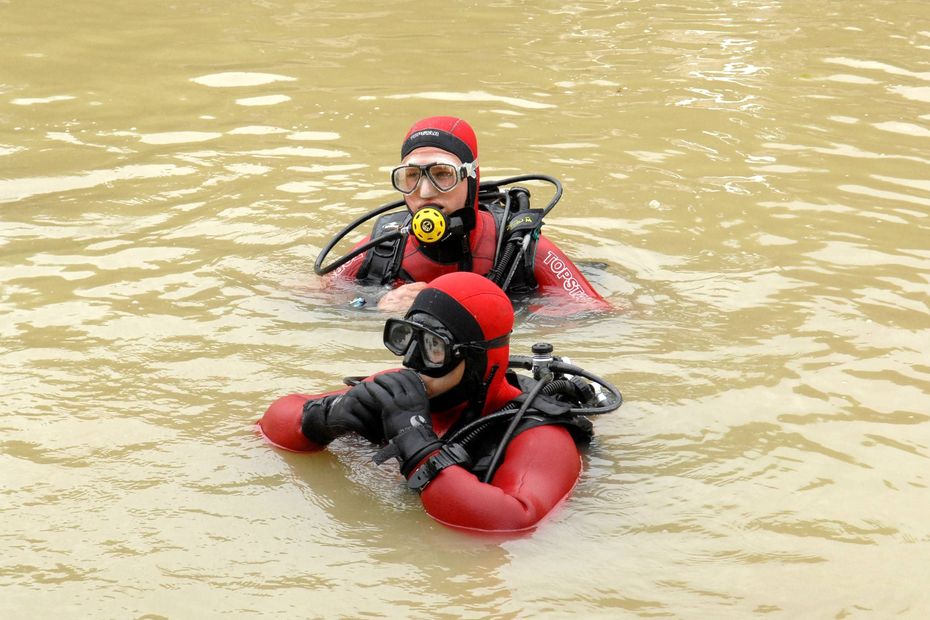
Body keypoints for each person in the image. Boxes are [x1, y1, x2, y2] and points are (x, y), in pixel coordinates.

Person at [258, 272, 620, 533]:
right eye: (407, 338)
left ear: (478, 359)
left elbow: (515, 522)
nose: (411, 361)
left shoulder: (538, 435)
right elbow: (272, 423)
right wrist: (325, 418)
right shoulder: (404, 391)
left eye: (434, 347)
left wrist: (418, 448)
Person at [325, 116, 611, 313]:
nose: (424, 192)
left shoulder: (517, 247)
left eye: (442, 174)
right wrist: (375, 305)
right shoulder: (385, 247)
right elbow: (307, 300)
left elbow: (598, 315)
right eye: (410, 176)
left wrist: (471, 307)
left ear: (472, 178)